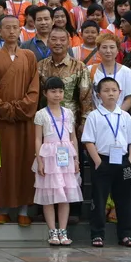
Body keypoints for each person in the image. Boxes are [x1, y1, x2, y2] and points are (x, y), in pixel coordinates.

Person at [0, 15, 40, 226]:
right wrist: (3, 108)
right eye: (6, 28)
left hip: (24, 119)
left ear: (20, 30)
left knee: (25, 162)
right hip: (2, 120)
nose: (11, 31)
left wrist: (20, 108)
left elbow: (34, 89)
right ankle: (3, 208)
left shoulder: (28, 56)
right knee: (4, 162)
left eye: (15, 27)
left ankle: (24, 209)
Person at [82, 77, 131, 247]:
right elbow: (88, 141)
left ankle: (125, 235)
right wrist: (98, 162)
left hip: (123, 161)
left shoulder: (125, 116)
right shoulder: (94, 115)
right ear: (99, 94)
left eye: (114, 90)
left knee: (124, 199)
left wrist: (130, 160)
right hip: (102, 160)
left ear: (120, 93)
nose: (110, 94)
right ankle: (97, 234)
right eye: (106, 90)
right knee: (99, 199)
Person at [34, 76, 82, 246]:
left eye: (60, 91)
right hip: (49, 157)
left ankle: (63, 230)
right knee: (49, 195)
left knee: (65, 195)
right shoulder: (41, 114)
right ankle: (52, 231)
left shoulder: (68, 113)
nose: (57, 95)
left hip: (66, 157)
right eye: (53, 91)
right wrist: (39, 160)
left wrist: (75, 159)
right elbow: (38, 139)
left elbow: (73, 137)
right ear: (46, 93)